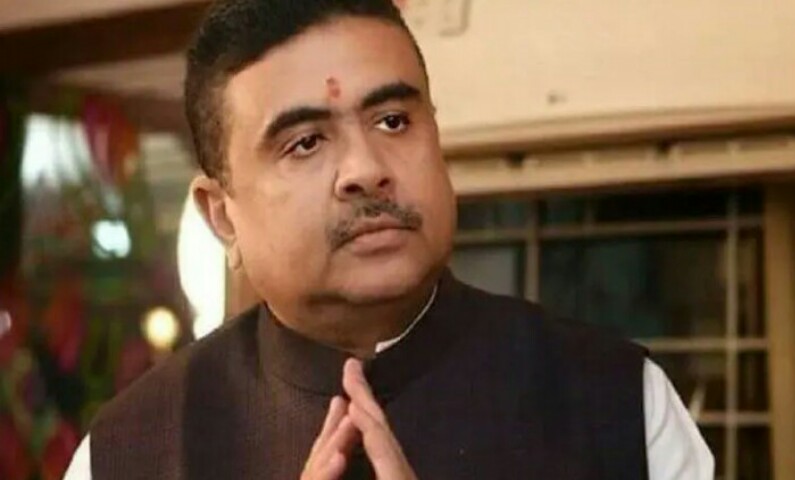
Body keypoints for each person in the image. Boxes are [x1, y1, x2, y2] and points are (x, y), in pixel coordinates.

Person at [65, 0, 713, 478]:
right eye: (306, 142)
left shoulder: (617, 403)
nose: (366, 169)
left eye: (394, 120)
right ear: (222, 217)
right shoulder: (133, 449)